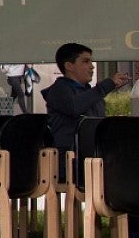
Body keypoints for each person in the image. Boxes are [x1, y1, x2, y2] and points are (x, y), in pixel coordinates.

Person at [40, 42, 131, 172]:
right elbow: (75, 107)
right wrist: (106, 85)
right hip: (70, 160)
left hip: (92, 157)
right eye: (85, 61)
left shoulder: (91, 94)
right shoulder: (59, 90)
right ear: (69, 66)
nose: (92, 67)